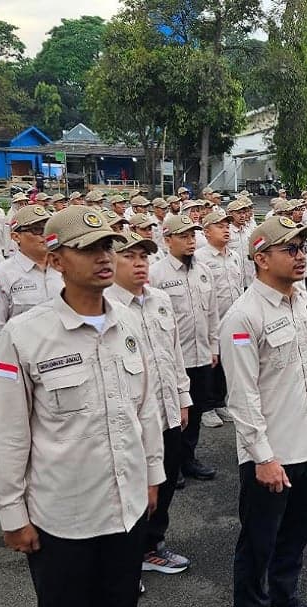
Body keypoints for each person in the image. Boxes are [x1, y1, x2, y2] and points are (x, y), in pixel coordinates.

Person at [0, 205, 165, 607]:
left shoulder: (128, 322)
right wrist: (12, 513)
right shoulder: (24, 335)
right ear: (56, 261)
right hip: (64, 518)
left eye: (108, 247)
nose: (104, 258)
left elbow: (146, 408)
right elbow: (8, 432)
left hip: (126, 510)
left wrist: (153, 474)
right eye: (87, 249)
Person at [220, 216, 307, 607]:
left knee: (296, 532)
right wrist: (263, 457)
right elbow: (243, 396)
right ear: (262, 258)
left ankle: (284, 600)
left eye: (303, 248)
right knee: (258, 543)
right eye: (290, 249)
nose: (301, 256)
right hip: (272, 453)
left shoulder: (306, 302)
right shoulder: (243, 316)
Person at [107, 232, 192, 576]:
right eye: (129, 257)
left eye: (143, 257)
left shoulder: (160, 299)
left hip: (166, 409)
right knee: (127, 490)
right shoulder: (106, 308)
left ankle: (151, 546)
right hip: (130, 418)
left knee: (165, 481)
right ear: (110, 261)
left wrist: (182, 398)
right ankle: (124, 562)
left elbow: (174, 353)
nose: (139, 264)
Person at [150, 214, 219, 482]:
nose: (191, 242)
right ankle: (172, 464)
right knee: (172, 415)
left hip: (201, 355)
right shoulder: (156, 274)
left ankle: (189, 458)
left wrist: (214, 346)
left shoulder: (203, 271)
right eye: (183, 237)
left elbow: (212, 313)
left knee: (196, 410)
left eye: (192, 236)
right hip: (173, 359)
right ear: (168, 240)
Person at [0, 205, 64, 366]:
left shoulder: (64, 267)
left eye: (47, 229)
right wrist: (0, 372)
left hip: (66, 358)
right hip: (24, 362)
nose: (44, 235)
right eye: (36, 230)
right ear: (16, 236)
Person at [195, 209, 244, 428]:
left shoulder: (234, 256)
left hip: (232, 319)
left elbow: (239, 286)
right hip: (210, 320)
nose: (226, 230)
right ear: (206, 232)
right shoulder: (200, 258)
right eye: (220, 226)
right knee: (209, 364)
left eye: (227, 226)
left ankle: (219, 401)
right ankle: (206, 407)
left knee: (227, 363)